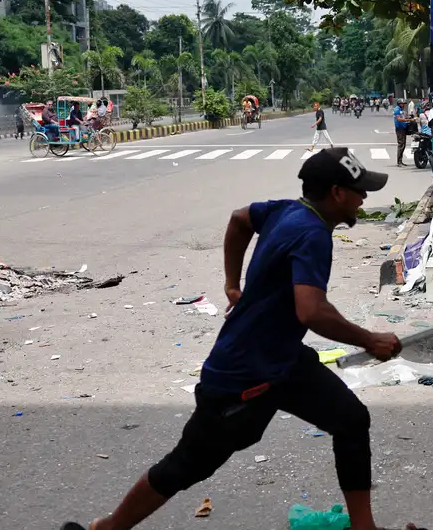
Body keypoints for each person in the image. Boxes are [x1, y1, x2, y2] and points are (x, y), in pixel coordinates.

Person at [60, 148, 404, 530]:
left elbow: (240, 220)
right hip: (244, 374)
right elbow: (312, 310)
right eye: (359, 191)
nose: (364, 198)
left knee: (351, 419)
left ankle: (363, 526)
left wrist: (231, 284)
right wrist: (369, 339)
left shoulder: (286, 211)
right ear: (338, 193)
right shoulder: (313, 235)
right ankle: (108, 528)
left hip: (283, 360)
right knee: (187, 464)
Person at [393, 99, 409, 167]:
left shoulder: (401, 110)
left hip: (403, 128)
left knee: (403, 145)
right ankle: (399, 162)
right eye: (402, 104)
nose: (404, 105)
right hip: (399, 129)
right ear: (399, 104)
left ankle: (401, 161)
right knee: (401, 145)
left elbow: (403, 117)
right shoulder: (397, 109)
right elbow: (399, 119)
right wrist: (408, 120)